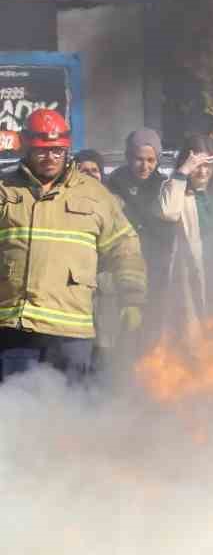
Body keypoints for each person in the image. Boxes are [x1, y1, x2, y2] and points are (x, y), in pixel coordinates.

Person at [0, 110, 144, 379]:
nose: (50, 158)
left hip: (71, 334)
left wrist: (132, 298)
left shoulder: (95, 194)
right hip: (15, 329)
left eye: (57, 150)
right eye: (42, 150)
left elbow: (125, 248)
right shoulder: (5, 190)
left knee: (69, 413)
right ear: (26, 145)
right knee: (14, 413)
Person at [158, 136, 213, 335]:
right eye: (197, 166)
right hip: (196, 275)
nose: (203, 172)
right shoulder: (178, 192)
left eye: (208, 166)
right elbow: (168, 212)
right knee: (200, 339)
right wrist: (182, 173)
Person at [107, 128, 173, 345]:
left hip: (157, 270)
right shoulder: (112, 185)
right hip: (121, 272)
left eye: (151, 160)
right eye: (139, 159)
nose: (145, 166)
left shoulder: (165, 188)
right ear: (128, 157)